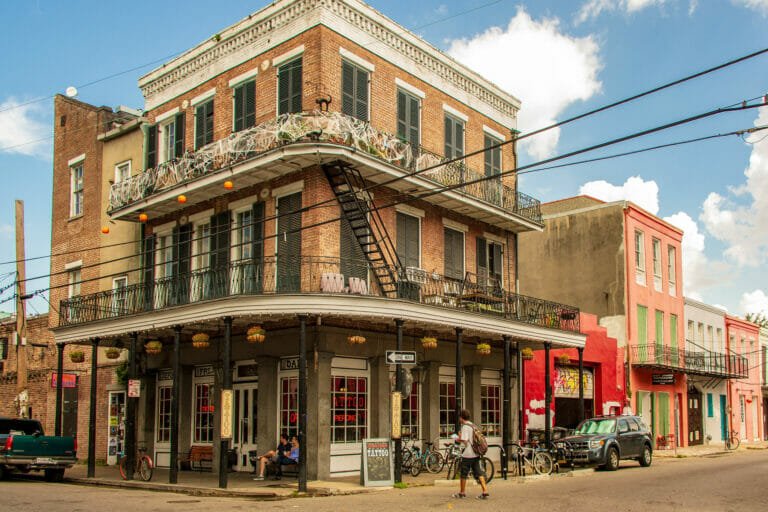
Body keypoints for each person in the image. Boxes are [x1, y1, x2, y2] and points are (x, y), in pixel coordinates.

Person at [452, 409, 489, 500]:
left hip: (468, 454)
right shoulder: (472, 425)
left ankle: (462, 492)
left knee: (463, 473)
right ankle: (485, 491)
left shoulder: (465, 427)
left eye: (459, 417)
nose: (459, 419)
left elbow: (464, 441)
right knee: (478, 472)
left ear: (461, 417)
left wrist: (457, 438)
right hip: (476, 453)